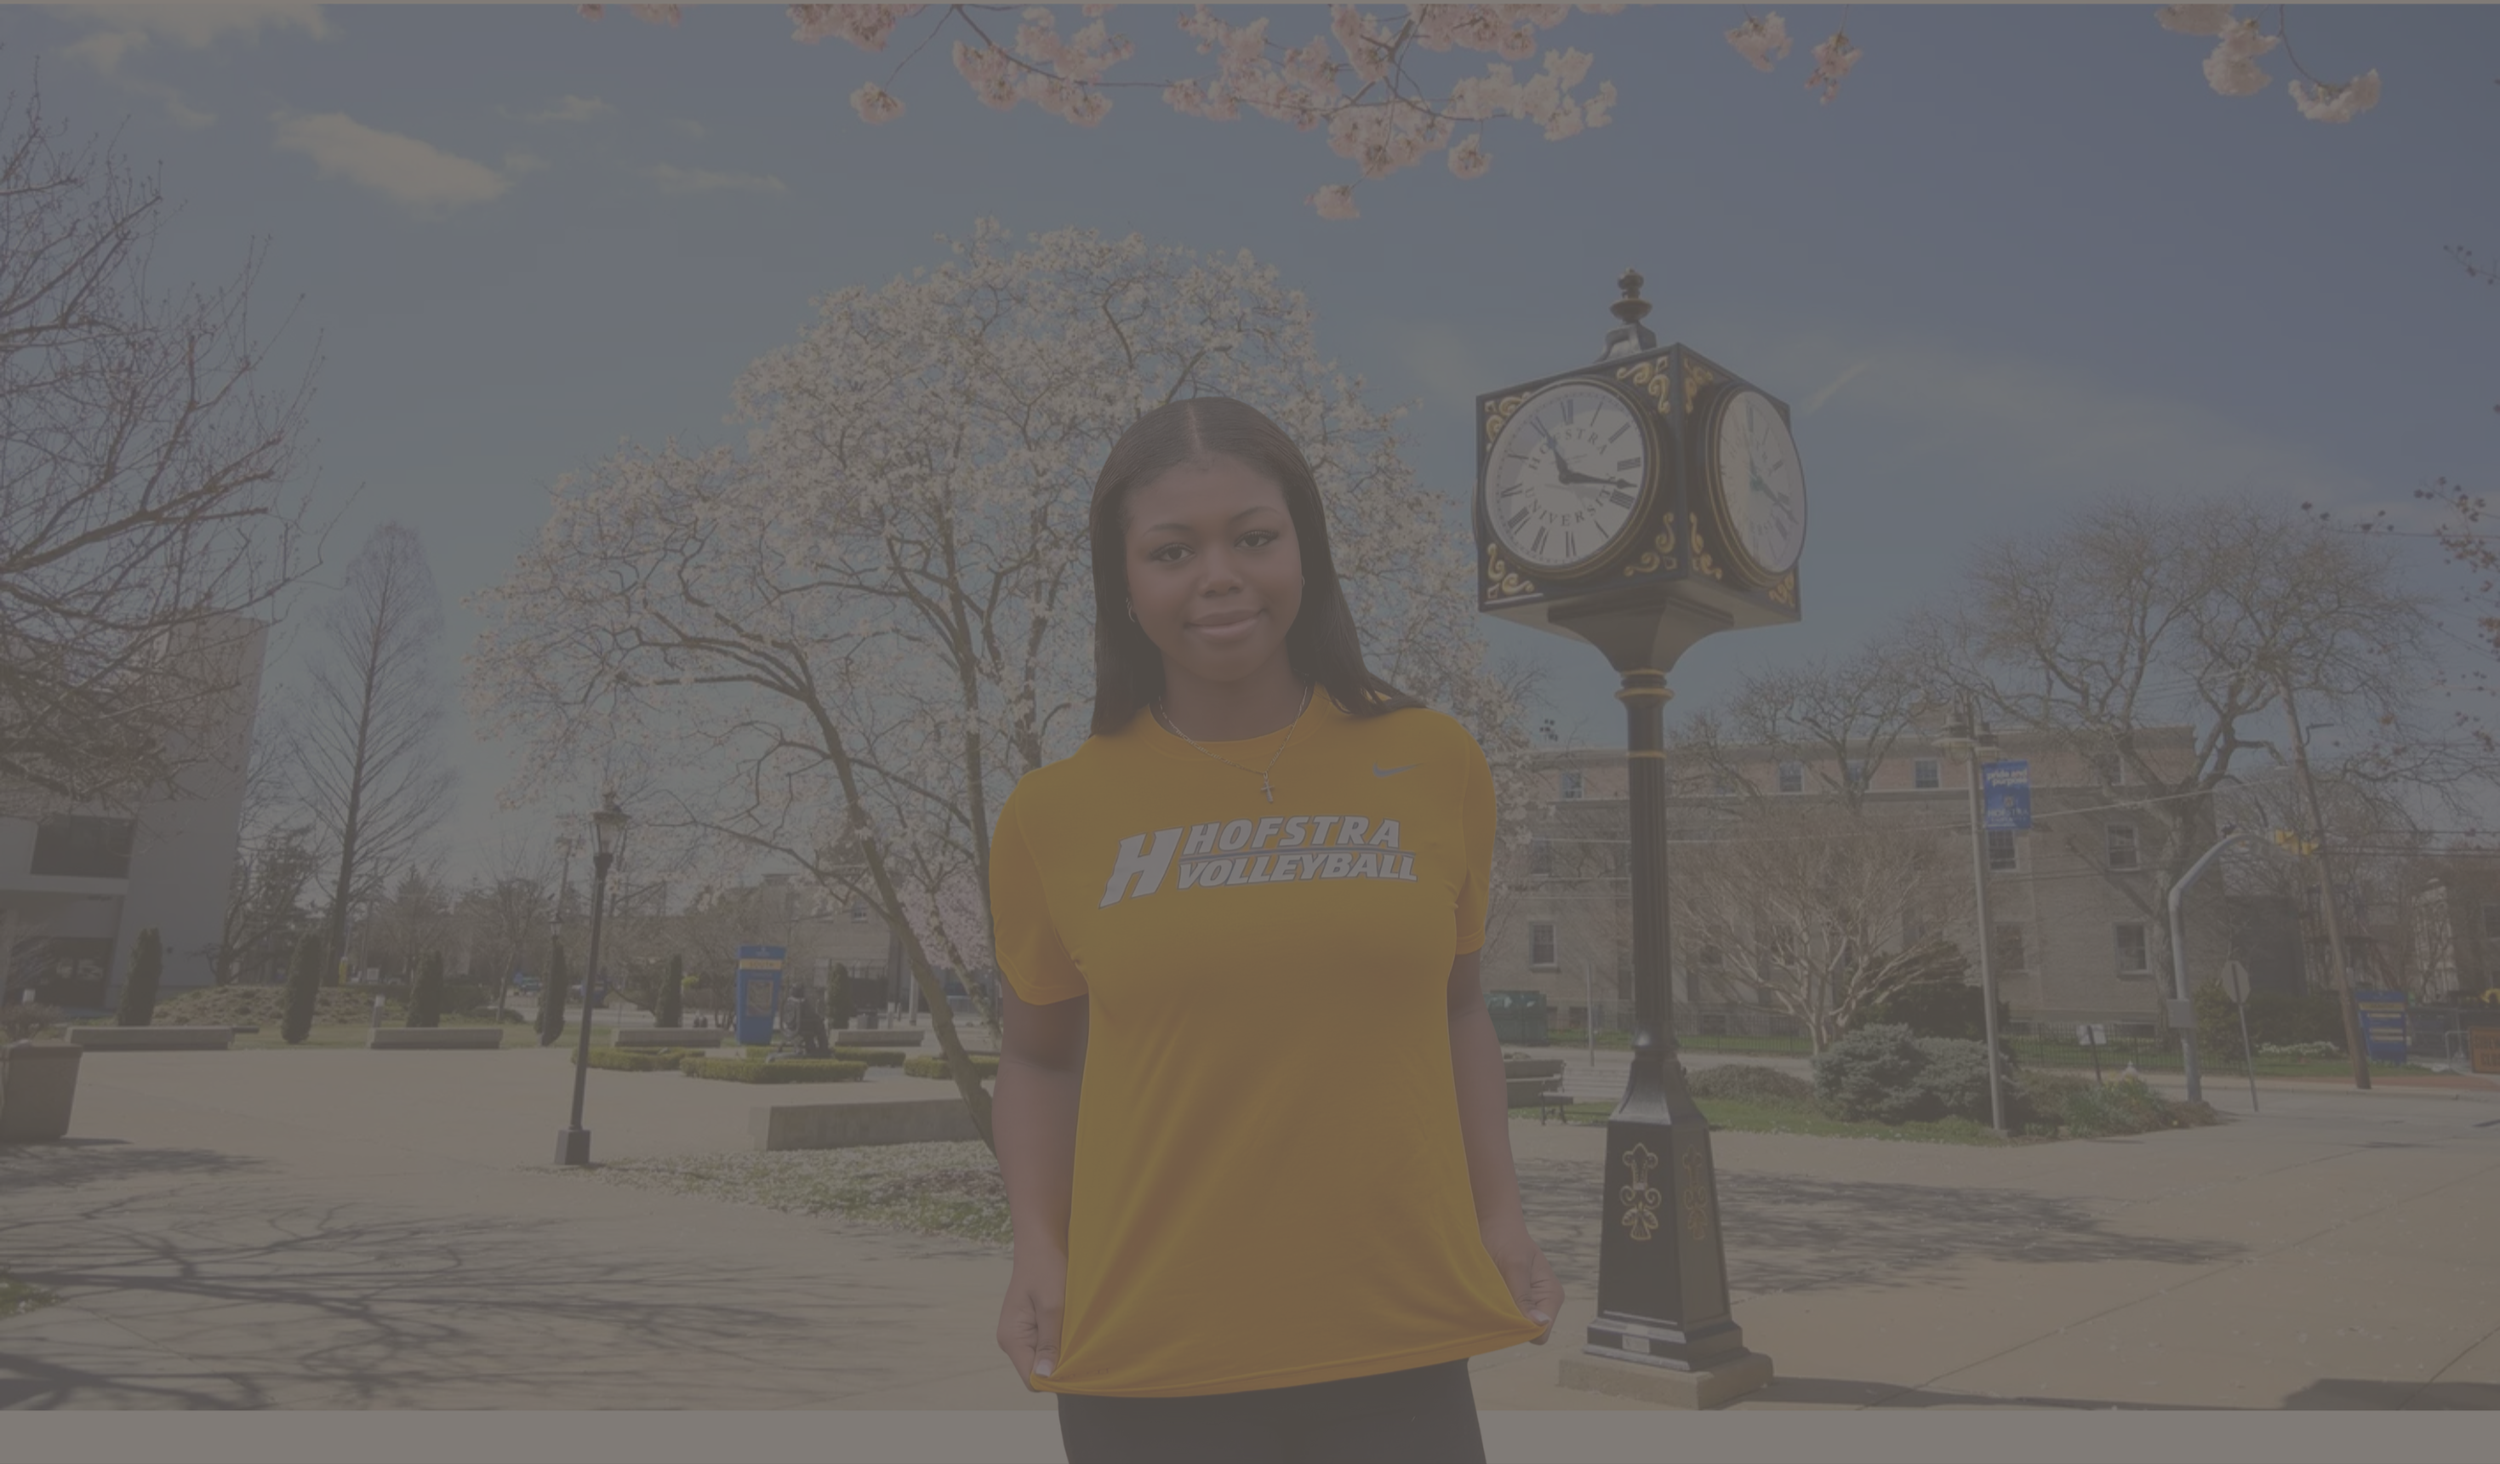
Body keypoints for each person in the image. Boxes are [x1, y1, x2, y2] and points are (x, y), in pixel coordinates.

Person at [989, 396, 1560, 1464]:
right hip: (1147, 1347)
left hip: (1397, 1334)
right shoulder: (1050, 813)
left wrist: (1502, 1215)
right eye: (1172, 550)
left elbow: (1457, 1008)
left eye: (1253, 537)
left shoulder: (1434, 760)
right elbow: (1037, 1058)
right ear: (1124, 584)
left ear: (1306, 552)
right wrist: (1037, 1248)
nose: (1219, 576)